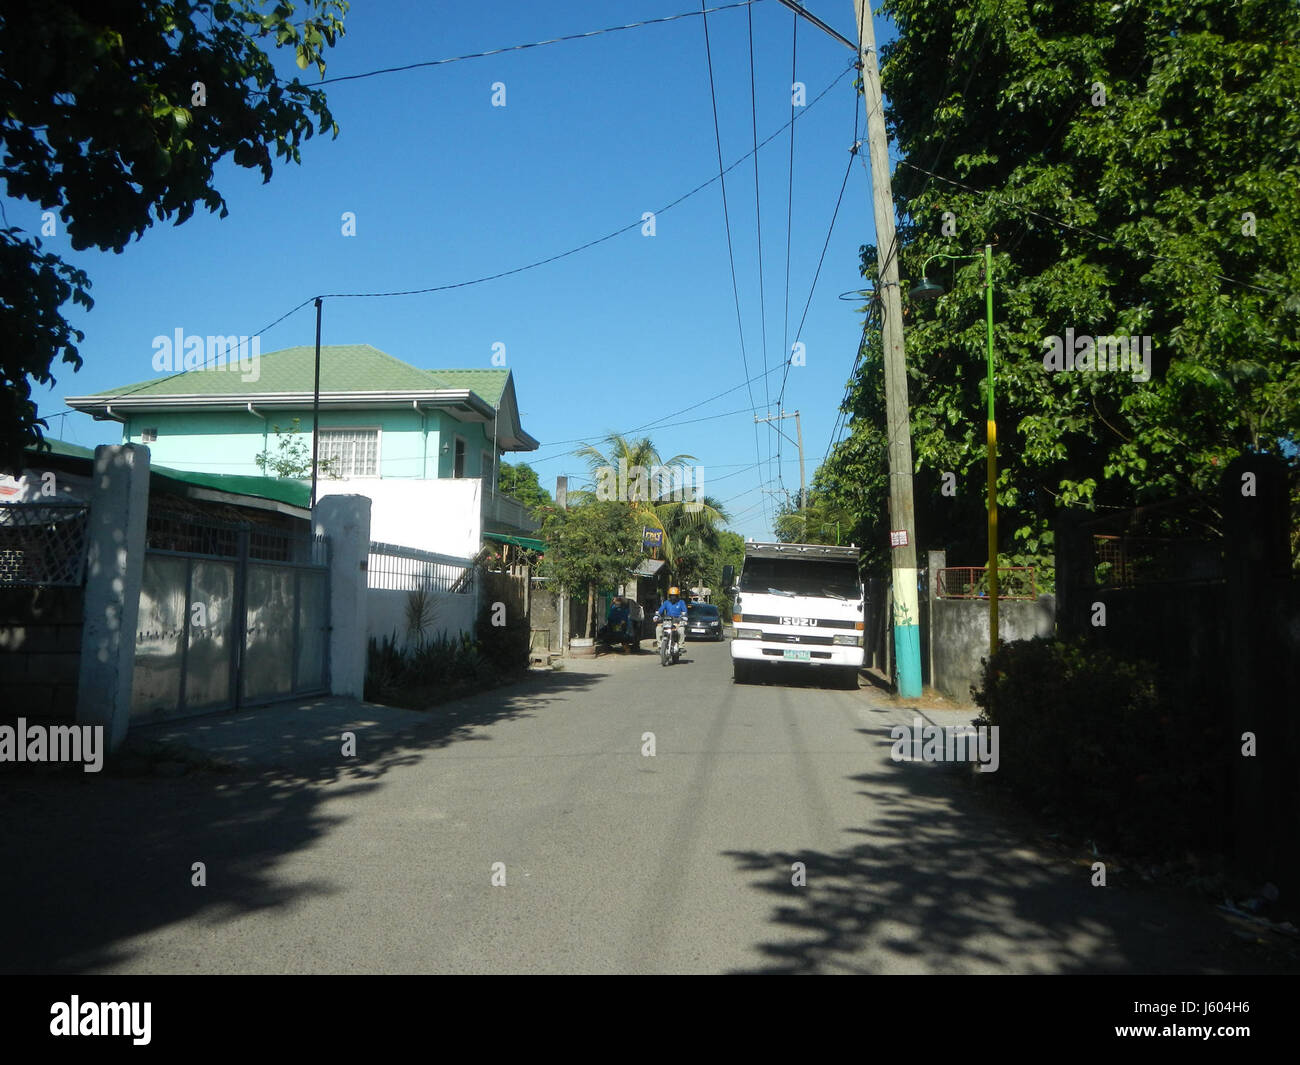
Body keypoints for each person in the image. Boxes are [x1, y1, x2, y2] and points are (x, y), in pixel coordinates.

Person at [653, 586, 689, 656]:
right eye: (671, 596)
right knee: (658, 629)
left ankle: (681, 646)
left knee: (681, 630)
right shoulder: (666, 602)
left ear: (677, 596)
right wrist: (656, 616)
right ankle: (660, 646)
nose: (673, 597)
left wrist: (684, 618)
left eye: (674, 596)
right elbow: (660, 611)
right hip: (667, 621)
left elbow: (685, 611)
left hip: (677, 621)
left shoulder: (681, 602)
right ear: (669, 596)